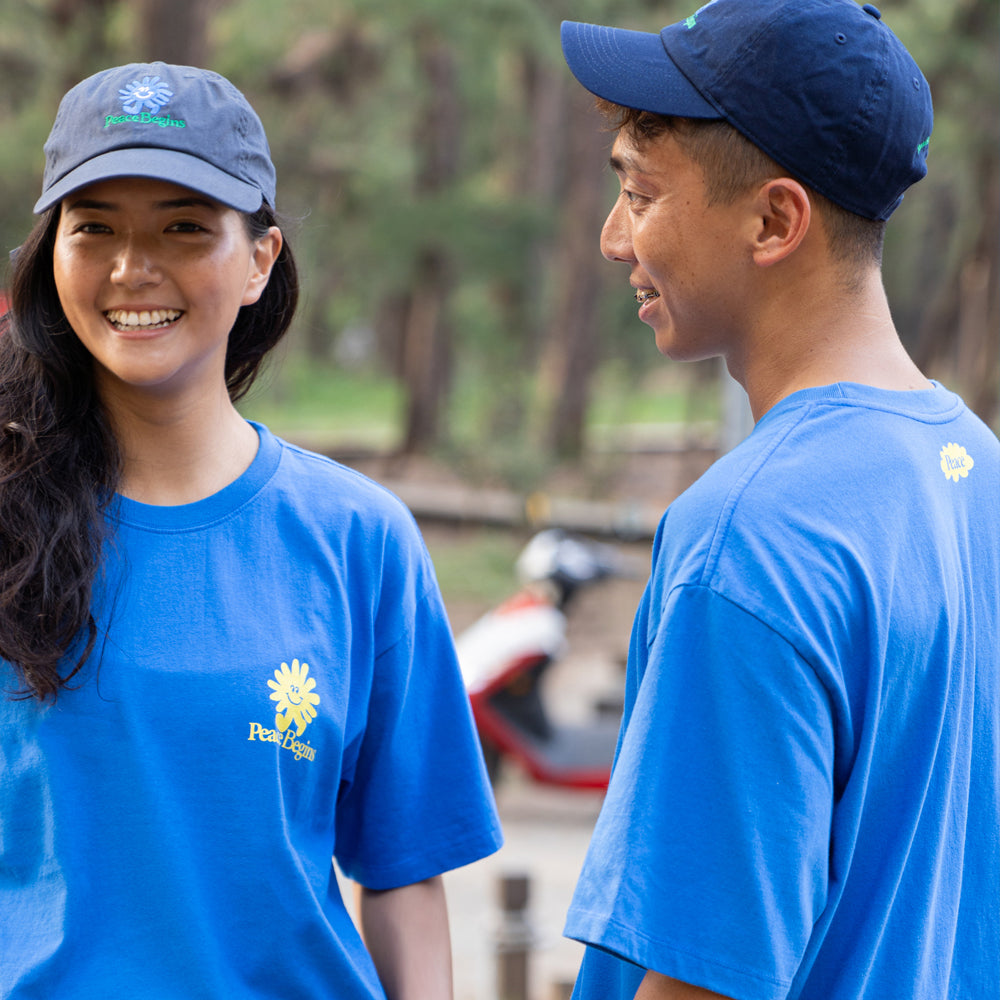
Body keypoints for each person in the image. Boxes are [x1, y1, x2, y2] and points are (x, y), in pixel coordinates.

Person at [0, 62, 502, 998]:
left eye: (183, 227)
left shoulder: (360, 539)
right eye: (94, 226)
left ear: (260, 258)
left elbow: (400, 876)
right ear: (51, 251)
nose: (131, 267)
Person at [558, 2, 999, 999]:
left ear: (773, 219)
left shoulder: (750, 536)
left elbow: (705, 973)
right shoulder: (977, 474)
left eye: (640, 194)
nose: (611, 237)